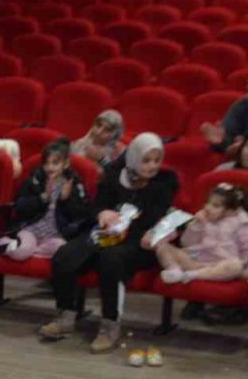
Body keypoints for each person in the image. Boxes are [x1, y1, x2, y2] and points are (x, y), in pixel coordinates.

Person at [40, 132, 179, 352]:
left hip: (138, 241)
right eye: (146, 160)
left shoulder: (164, 182)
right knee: (65, 255)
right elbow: (96, 206)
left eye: (156, 160)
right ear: (133, 158)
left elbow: (155, 217)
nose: (152, 166)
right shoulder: (115, 175)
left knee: (110, 259)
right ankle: (65, 315)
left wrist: (128, 224)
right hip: (106, 233)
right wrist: (103, 213)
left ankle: (110, 325)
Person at [0, 137, 90, 262]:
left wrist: (66, 199)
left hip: (56, 234)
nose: (49, 167)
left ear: (66, 163)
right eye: (46, 163)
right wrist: (42, 197)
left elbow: (81, 214)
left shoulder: (75, 184)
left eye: (55, 163)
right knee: (21, 252)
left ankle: (27, 250)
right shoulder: (35, 180)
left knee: (62, 249)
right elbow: (20, 205)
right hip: (31, 229)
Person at [151, 183, 248, 283]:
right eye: (208, 203)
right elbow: (186, 243)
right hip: (194, 260)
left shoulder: (242, 223)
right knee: (162, 247)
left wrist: (245, 268)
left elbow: (247, 249)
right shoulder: (203, 218)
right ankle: (175, 270)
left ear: (229, 211)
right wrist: (197, 225)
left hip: (219, 265)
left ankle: (193, 275)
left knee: (236, 265)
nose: (208, 208)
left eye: (216, 206)